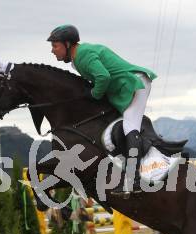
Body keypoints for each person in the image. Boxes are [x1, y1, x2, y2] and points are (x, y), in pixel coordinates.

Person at [47, 24, 157, 197]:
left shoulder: (83, 55)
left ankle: (134, 180)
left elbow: (103, 77)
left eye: (55, 45)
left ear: (67, 44)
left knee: (130, 126)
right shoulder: (77, 60)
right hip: (122, 88)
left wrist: (94, 95)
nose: (53, 51)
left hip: (135, 84)